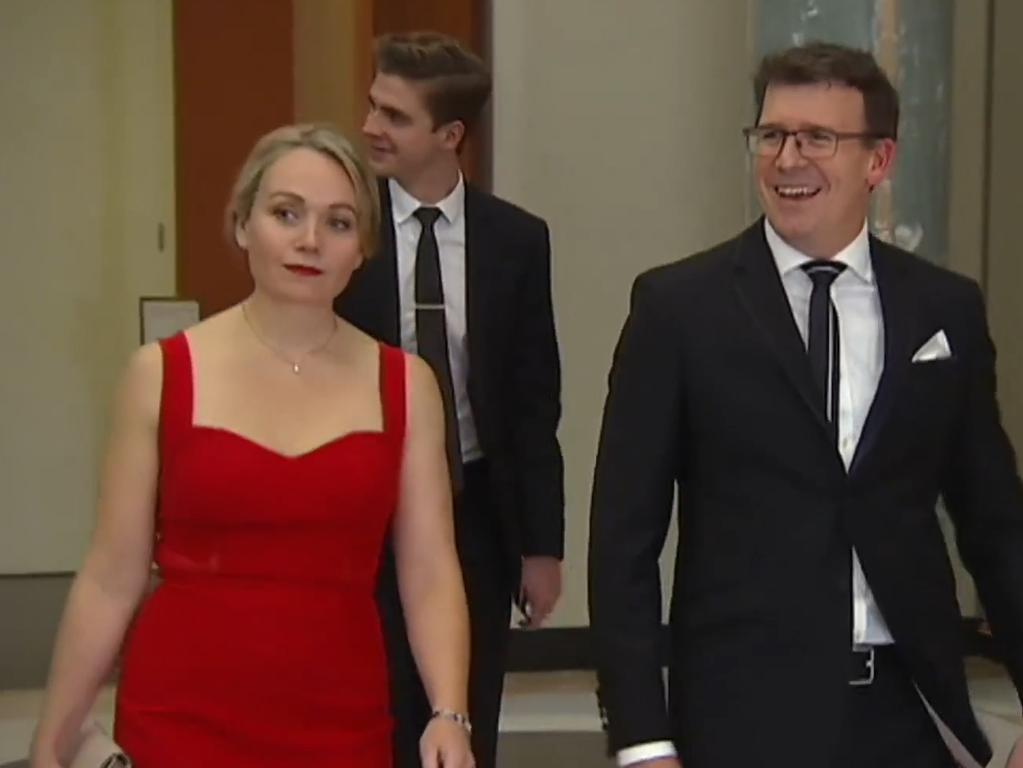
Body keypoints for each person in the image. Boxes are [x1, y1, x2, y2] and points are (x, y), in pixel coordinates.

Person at [588, 42, 1023, 768]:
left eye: (817, 138)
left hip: (909, 711)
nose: (788, 159)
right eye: (772, 135)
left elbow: (994, 524)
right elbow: (622, 540)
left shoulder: (942, 308)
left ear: (877, 162)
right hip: (739, 715)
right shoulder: (677, 309)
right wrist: (641, 737)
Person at [31, 124, 474, 768]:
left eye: (339, 223)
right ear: (243, 225)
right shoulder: (160, 374)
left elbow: (430, 570)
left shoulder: (406, 386)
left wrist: (449, 712)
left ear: (363, 250)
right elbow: (110, 577)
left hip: (340, 714)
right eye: (286, 213)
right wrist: (50, 741)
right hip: (179, 714)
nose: (309, 241)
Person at [335, 31, 565, 768]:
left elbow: (534, 403)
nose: (371, 127)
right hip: (359, 504)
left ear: (450, 135)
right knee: (370, 704)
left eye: (395, 116)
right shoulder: (345, 228)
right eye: (373, 107)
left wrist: (541, 545)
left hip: (473, 507)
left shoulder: (515, 242)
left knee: (464, 707)